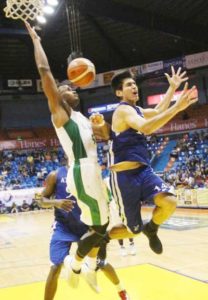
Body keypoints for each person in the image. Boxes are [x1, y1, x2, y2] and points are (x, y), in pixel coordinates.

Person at [25, 21, 113, 289]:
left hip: (93, 171)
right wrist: (36, 39)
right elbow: (44, 70)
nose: (72, 89)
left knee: (105, 227)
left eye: (73, 88)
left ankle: (84, 265)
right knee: (101, 227)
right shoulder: (60, 113)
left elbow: (106, 138)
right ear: (57, 96)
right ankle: (78, 265)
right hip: (82, 171)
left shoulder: (82, 117)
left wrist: (101, 129)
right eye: (66, 88)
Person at [109, 68, 198, 254]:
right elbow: (147, 128)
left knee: (170, 202)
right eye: (128, 85)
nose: (134, 86)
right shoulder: (123, 110)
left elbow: (158, 110)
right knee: (132, 230)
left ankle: (152, 228)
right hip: (125, 177)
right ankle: (101, 239)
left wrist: (172, 88)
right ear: (119, 92)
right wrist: (177, 107)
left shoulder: (137, 110)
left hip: (143, 171)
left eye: (134, 84)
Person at [38, 166, 130, 300]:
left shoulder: (90, 173)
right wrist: (55, 202)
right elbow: (41, 200)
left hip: (87, 227)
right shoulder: (55, 174)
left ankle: (121, 291)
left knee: (101, 263)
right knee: (55, 267)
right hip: (63, 227)